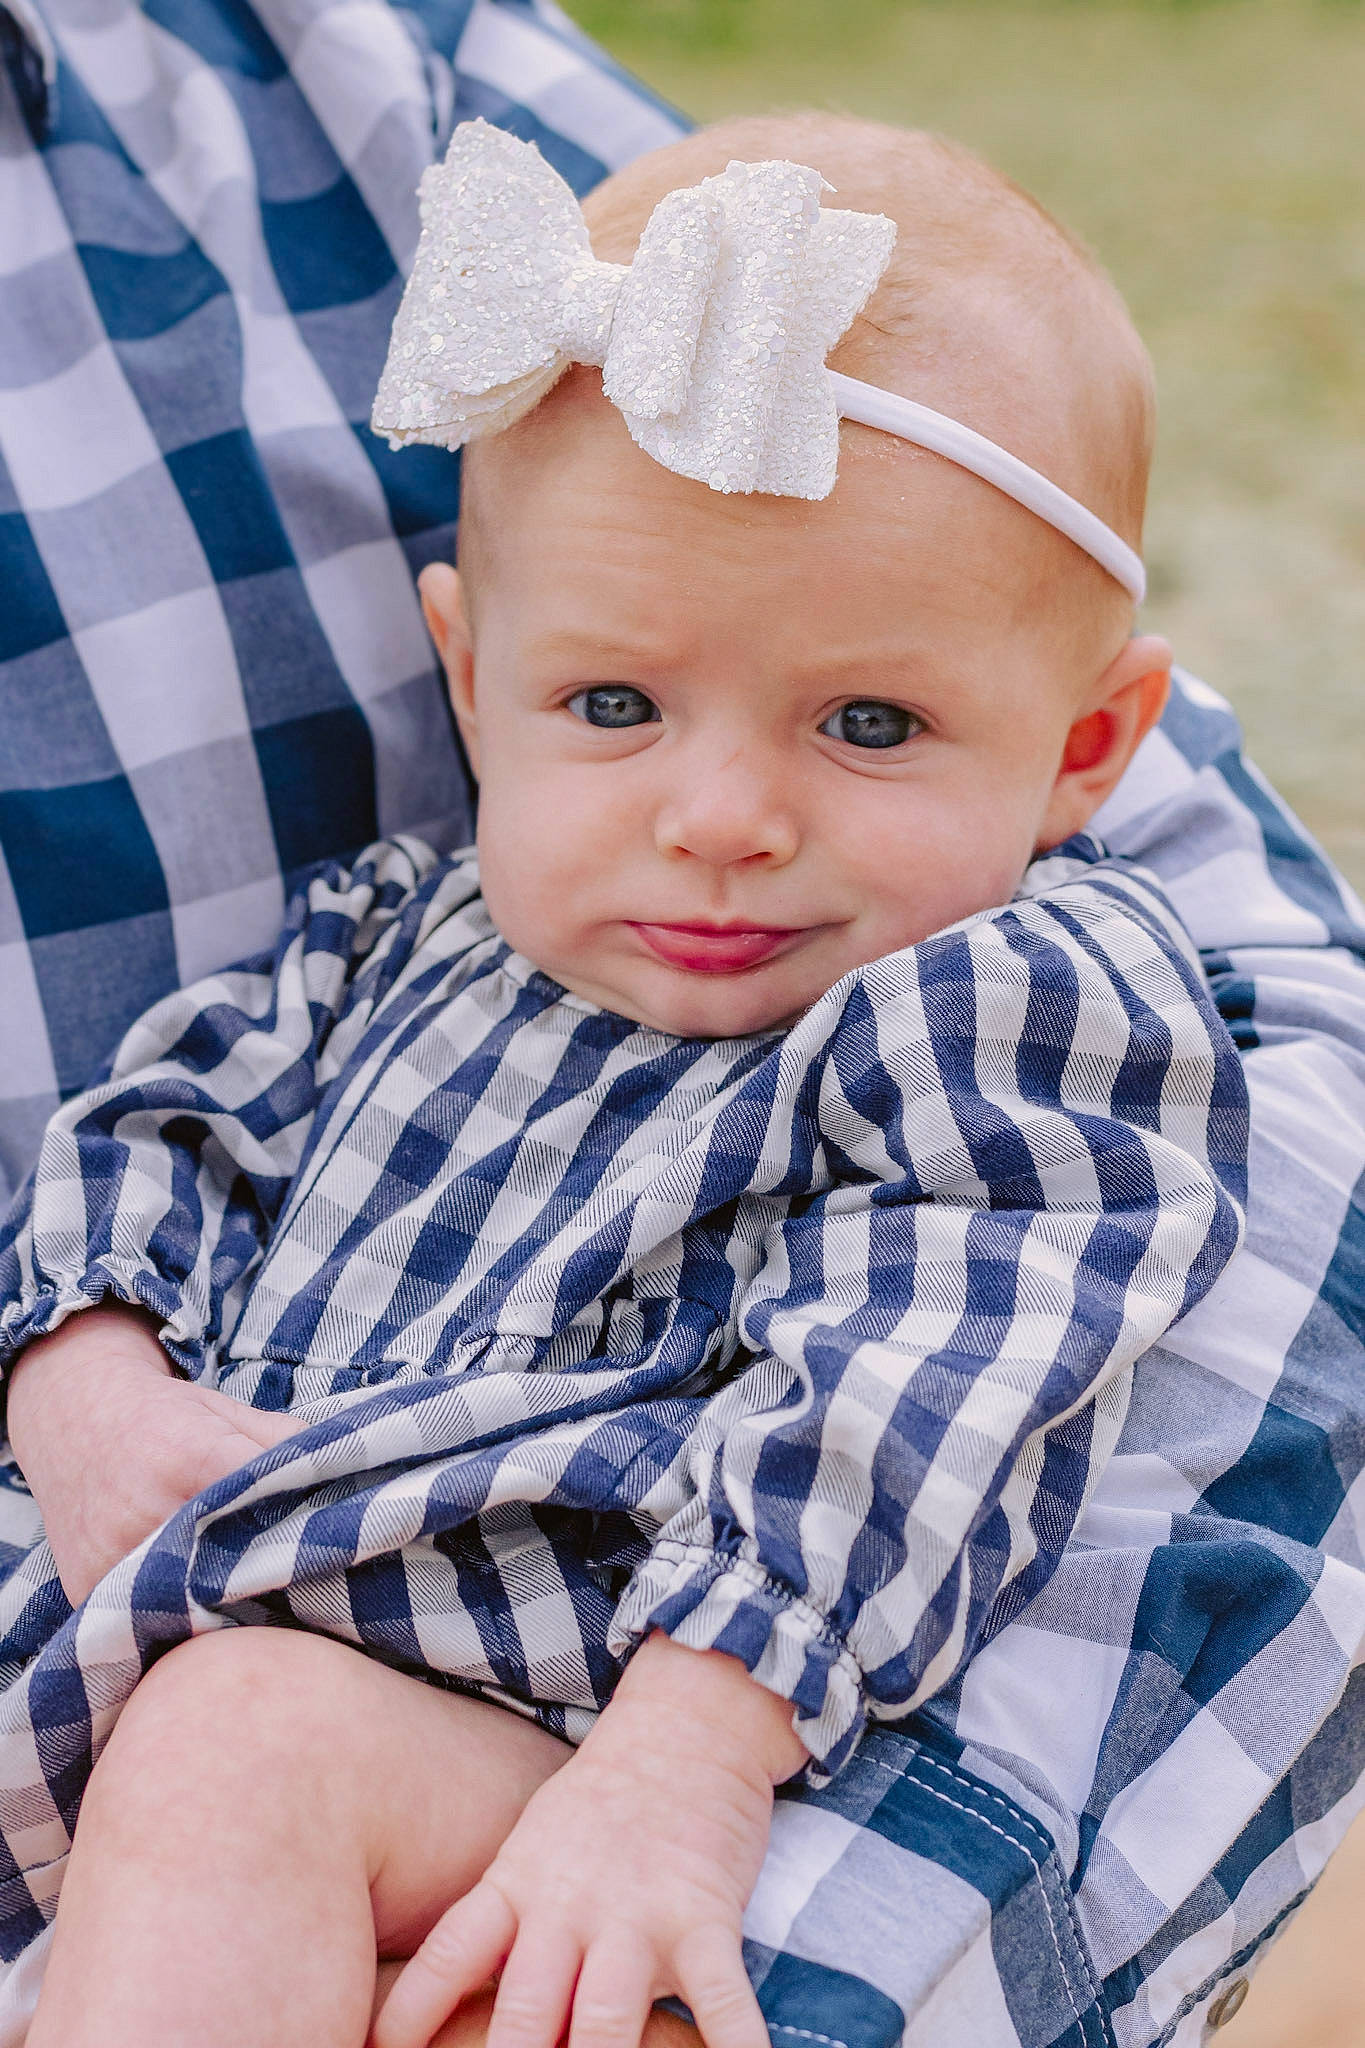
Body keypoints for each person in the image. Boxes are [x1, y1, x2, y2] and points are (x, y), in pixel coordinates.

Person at [0, 11, 1362, 2048]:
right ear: (469, 681)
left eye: (867, 721)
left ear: (1086, 749)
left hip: (596, 1718)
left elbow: (915, 1401)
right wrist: (86, 1377)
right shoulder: (397, 939)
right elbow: (154, 1130)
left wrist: (679, 1770)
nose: (720, 817)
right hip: (188, 1674)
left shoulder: (994, 1014)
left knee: (241, 1751)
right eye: (613, 707)